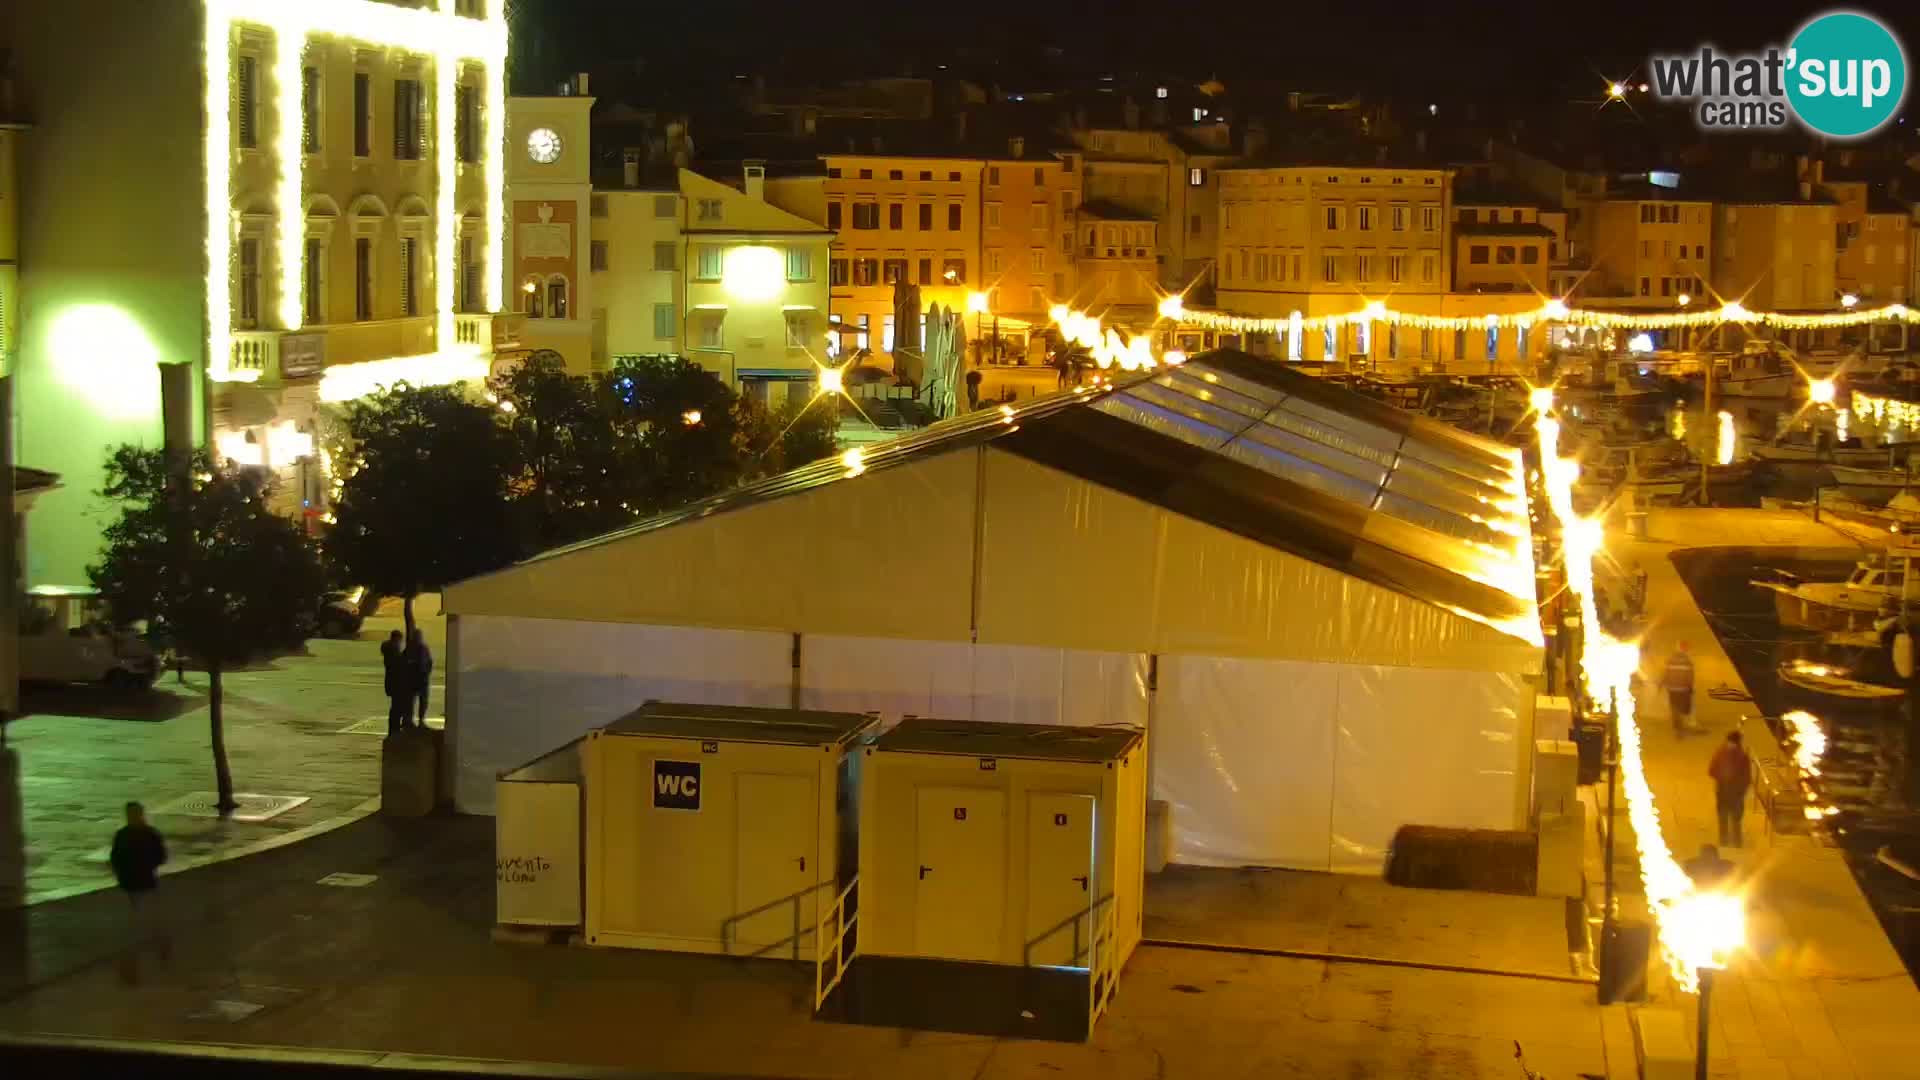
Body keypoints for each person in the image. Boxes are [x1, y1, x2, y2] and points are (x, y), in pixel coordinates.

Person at [110, 801, 168, 980]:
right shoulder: (150, 834)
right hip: (144, 880)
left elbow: (115, 858)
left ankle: (140, 944)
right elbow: (161, 857)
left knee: (138, 914)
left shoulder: (123, 835)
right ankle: (155, 945)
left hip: (132, 882)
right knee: (148, 914)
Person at [1708, 731, 1754, 848]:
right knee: (1736, 818)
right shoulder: (1743, 756)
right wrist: (1743, 789)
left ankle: (1724, 840)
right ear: (1739, 742)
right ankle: (1737, 842)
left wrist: (1721, 778)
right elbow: (1747, 777)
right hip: (1737, 792)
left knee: (1723, 816)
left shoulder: (1720, 752)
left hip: (1722, 790)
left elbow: (1711, 771)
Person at [403, 627, 433, 728]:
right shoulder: (411, 648)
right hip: (414, 679)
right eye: (417, 636)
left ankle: (420, 720)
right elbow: (405, 662)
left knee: (422, 700)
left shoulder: (424, 648)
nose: (419, 638)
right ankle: (409, 720)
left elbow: (429, 662)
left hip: (422, 679)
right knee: (412, 701)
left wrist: (426, 673)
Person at [1665, 641, 1696, 735]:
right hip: (1683, 688)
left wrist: (1663, 684)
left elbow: (1666, 673)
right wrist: (1690, 687)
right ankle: (1680, 727)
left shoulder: (1670, 659)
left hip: (1672, 688)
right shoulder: (1687, 661)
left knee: (1674, 706)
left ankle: (1676, 725)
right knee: (1682, 707)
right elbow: (1690, 676)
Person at [381, 630, 408, 734]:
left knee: (396, 707)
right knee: (397, 707)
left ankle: (394, 728)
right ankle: (394, 729)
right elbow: (398, 665)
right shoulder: (393, 652)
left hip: (392, 683)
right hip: (396, 684)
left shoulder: (390, 650)